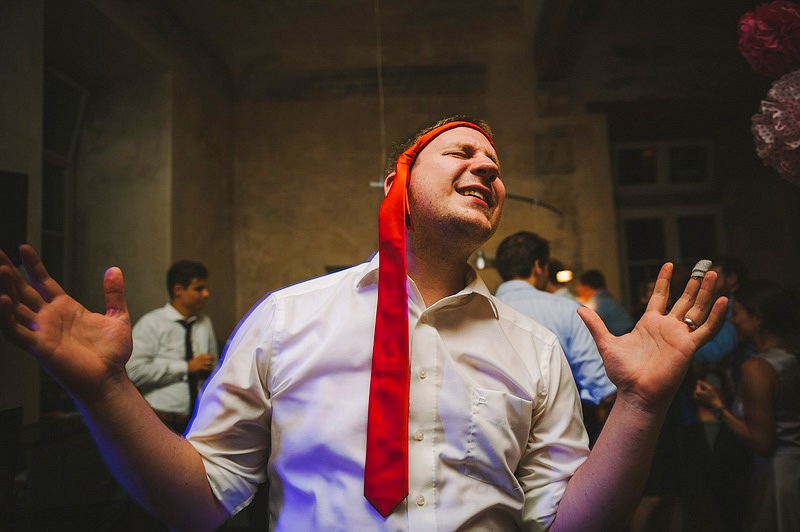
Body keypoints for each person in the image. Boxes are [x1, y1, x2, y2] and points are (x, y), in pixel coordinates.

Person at [0, 115, 727, 531]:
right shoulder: (287, 319)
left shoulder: (534, 348)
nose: (487, 168)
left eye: (495, 164)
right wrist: (105, 390)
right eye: (462, 152)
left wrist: (641, 404)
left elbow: (569, 523)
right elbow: (198, 501)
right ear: (398, 184)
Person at [694, 281, 800, 531]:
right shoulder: (792, 359)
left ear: (758, 319)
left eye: (736, 313)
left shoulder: (757, 368)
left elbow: (761, 442)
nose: (732, 321)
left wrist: (716, 406)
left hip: (777, 477)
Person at [494, 231, 615, 445]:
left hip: (496, 436)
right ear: (538, 266)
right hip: (559, 438)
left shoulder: (476, 311)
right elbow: (598, 384)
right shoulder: (569, 310)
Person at [125, 260, 218, 434]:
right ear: (178, 290)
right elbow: (133, 371)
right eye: (199, 289)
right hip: (161, 420)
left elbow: (215, 370)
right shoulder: (151, 323)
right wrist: (186, 367)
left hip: (199, 422)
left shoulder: (205, 323)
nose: (206, 294)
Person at [576, 269, 636, 336]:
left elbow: (583, 327)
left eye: (579, 285)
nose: (578, 288)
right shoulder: (606, 299)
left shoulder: (598, 303)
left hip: (625, 337)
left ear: (586, 287)